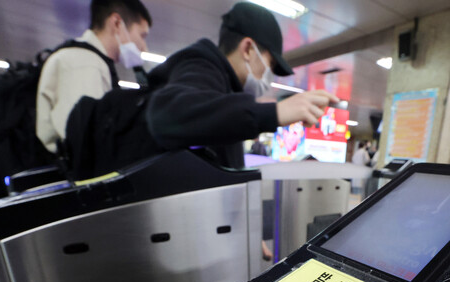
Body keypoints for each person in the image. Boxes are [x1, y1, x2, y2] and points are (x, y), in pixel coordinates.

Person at [144, 2, 339, 169]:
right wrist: (274, 112)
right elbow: (168, 115)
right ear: (247, 49)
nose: (268, 75)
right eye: (269, 64)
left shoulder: (225, 91)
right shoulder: (200, 67)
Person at [36, 0, 152, 152]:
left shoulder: (90, 61)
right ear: (117, 23)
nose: (144, 47)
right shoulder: (85, 63)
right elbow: (85, 141)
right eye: (142, 35)